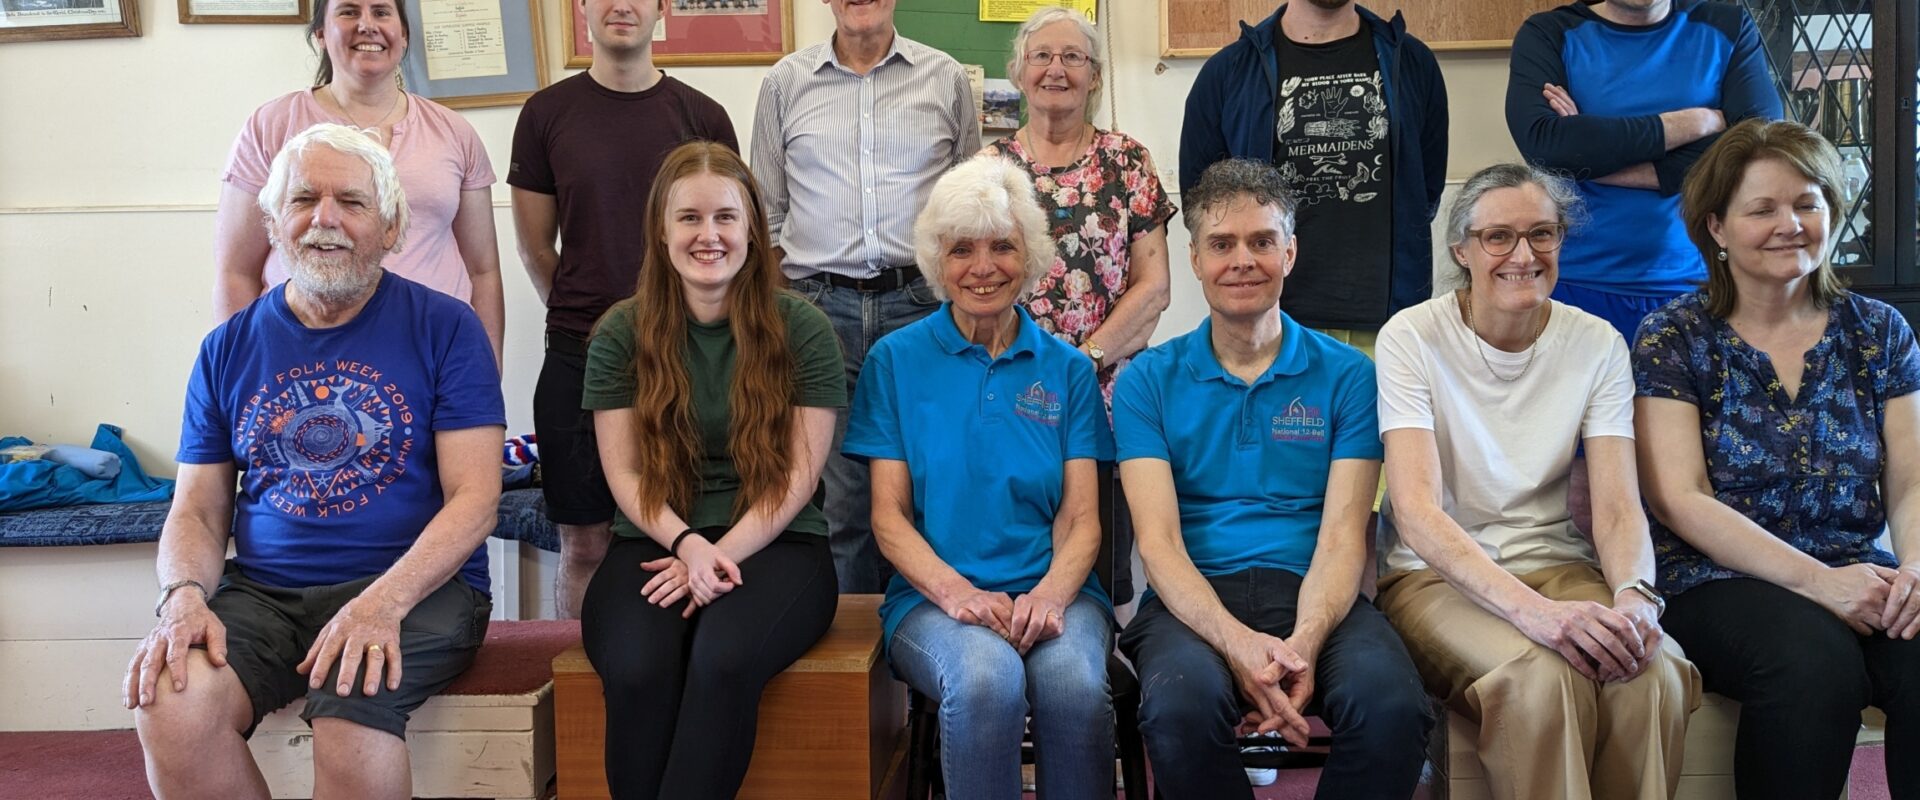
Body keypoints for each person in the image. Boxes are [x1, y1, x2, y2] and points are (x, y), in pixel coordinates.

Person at [127, 123, 504, 800]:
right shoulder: (226, 348)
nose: (324, 220)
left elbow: (475, 498)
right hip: (266, 595)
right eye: (303, 199)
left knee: (350, 704)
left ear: (391, 228)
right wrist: (181, 597)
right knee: (169, 698)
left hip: (417, 589)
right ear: (274, 223)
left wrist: (381, 602)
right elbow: (198, 509)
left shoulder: (448, 327)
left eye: (352, 203)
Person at [1374, 162, 1700, 800]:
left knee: (1650, 669)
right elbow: (1416, 513)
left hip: (1558, 563)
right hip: (1434, 576)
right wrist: (1539, 617)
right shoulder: (1411, 337)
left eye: (1542, 235)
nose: (1522, 255)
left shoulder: (1598, 344)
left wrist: (1635, 598)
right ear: (1461, 249)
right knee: (1542, 677)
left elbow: (1615, 509)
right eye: (1498, 237)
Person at [1113, 159, 1432, 799]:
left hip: (1316, 591)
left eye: (1262, 241)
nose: (1242, 260)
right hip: (1191, 600)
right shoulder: (1146, 380)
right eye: (1222, 244)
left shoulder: (1347, 375)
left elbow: (1345, 537)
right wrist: (1237, 644)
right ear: (1196, 259)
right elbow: (1159, 546)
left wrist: (1305, 644)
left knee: (1394, 708)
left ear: (1290, 252)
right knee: (1179, 712)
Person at [1633, 119, 1920, 800]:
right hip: (1713, 580)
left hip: (1859, 565)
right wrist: (1821, 584)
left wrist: (1912, 572)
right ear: (1717, 229)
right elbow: (1680, 497)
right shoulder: (1671, 336)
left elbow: (1911, 479)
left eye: (1808, 204)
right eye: (1762, 208)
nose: (1790, 224)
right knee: (1812, 666)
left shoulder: (1879, 330)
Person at [578, 141, 842, 798]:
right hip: (656, 540)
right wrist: (689, 546)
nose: (709, 235)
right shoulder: (620, 332)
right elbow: (627, 476)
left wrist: (716, 555)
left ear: (752, 228)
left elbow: (796, 480)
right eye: (689, 218)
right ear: (661, 231)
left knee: (722, 659)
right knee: (637, 668)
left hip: (778, 544)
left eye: (726, 217)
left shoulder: (803, 328)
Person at [843, 155, 1112, 799]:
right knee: (987, 679)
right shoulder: (894, 361)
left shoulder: (1068, 369)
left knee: (1073, 684)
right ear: (938, 262)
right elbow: (888, 516)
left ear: (1032, 256)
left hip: (1058, 593)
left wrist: (1049, 596)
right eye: (962, 249)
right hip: (933, 601)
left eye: (1002, 246)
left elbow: (1081, 518)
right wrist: (957, 593)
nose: (983, 267)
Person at [510, 0, 738, 619]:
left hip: (689, 358)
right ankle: (588, 706)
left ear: (661, 8)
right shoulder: (545, 114)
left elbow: (725, 239)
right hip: (578, 355)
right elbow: (536, 248)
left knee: (687, 536)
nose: (620, 6)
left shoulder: (702, 115)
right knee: (584, 542)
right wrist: (609, 329)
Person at [752, 0, 982, 594]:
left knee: (933, 482)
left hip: (922, 307)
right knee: (841, 498)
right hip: (818, 310)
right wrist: (791, 309)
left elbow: (967, 205)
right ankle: (858, 662)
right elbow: (768, 217)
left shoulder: (945, 77)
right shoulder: (785, 82)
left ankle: (935, 649)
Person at [981, 5, 1175, 606]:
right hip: (1010, 387)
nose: (1056, 69)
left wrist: (1084, 358)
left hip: (1106, 390)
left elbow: (1154, 287)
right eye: (1042, 56)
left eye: (1073, 57)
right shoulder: (989, 170)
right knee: (1011, 553)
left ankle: (1096, 678)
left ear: (1094, 75)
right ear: (1019, 72)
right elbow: (975, 284)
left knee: (1101, 568)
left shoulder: (1128, 163)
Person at [213, 0, 504, 364]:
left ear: (404, 35)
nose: (367, 25)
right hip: (299, 354)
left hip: (430, 352)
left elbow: (483, 270)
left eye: (382, 12)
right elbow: (236, 271)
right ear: (320, 33)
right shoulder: (270, 126)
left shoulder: (454, 133)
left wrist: (486, 369)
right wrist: (237, 369)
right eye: (349, 11)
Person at [1507, 0, 1780, 341]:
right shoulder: (1550, 32)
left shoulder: (1727, 25)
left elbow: (1757, 147)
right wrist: (1698, 121)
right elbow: (1546, 145)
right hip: (1576, 285)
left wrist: (1590, 156)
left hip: (1701, 286)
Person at [1180, 0, 1446, 346]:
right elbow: (1201, 205)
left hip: (1389, 329)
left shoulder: (1412, 62)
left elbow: (1425, 190)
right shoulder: (1228, 72)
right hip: (1270, 330)